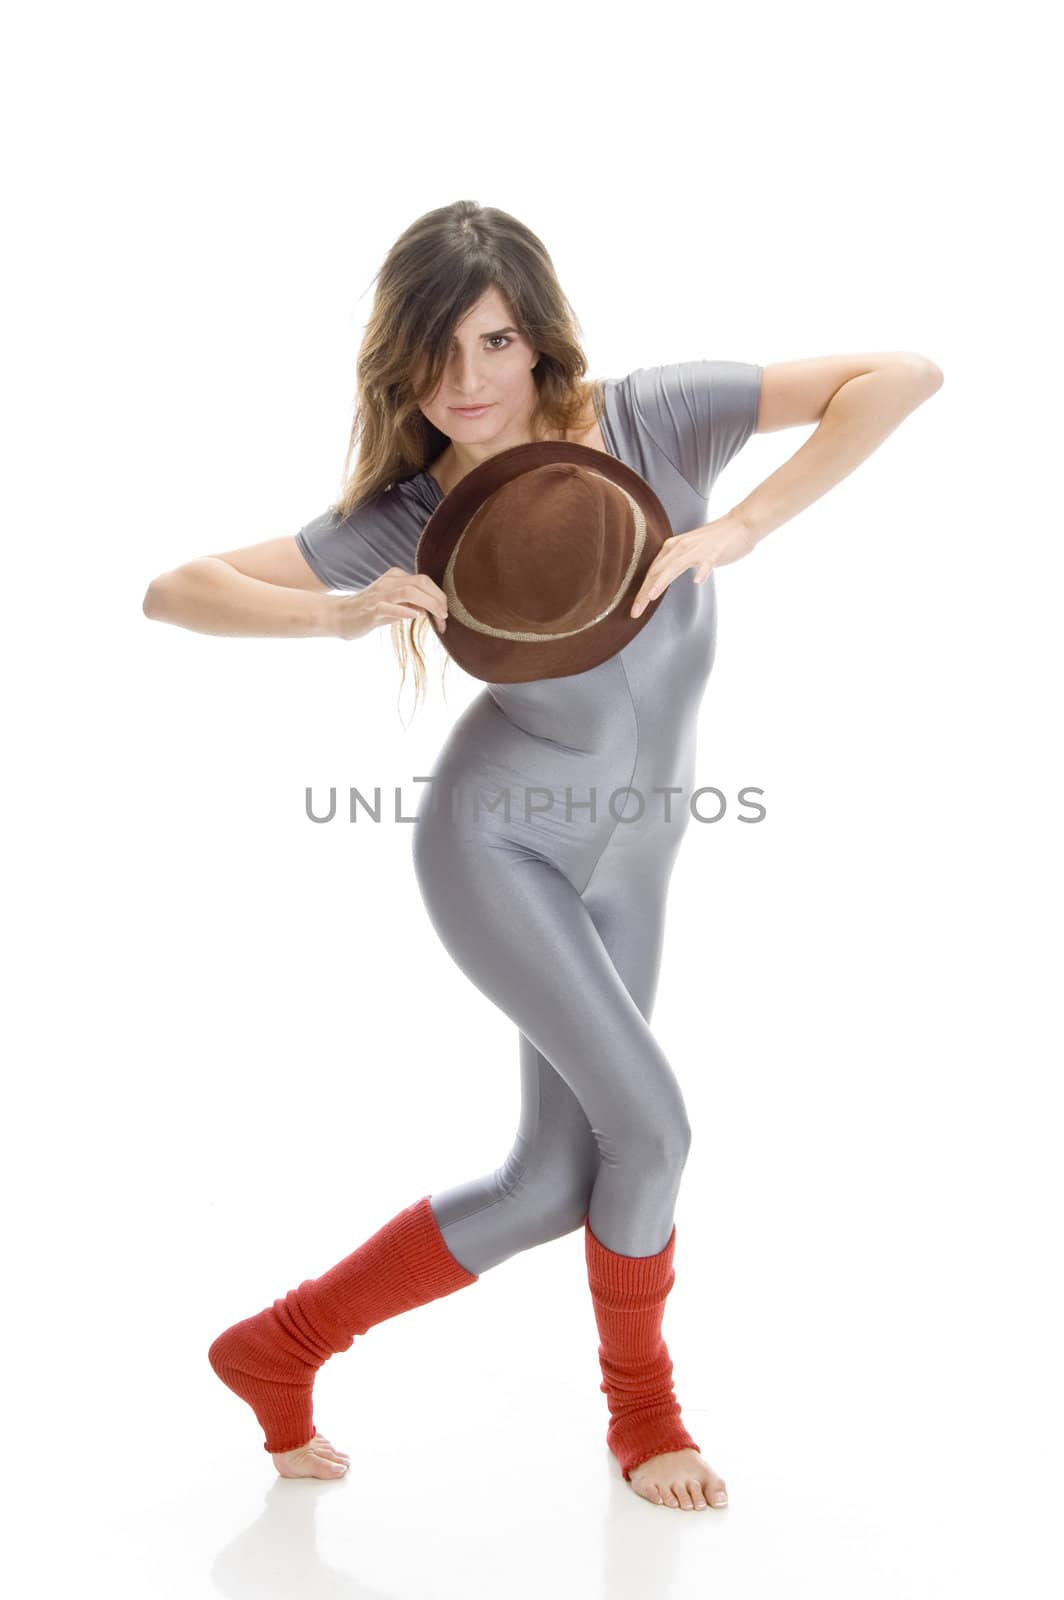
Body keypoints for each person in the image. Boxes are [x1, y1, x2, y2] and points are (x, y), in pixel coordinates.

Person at [142, 200, 943, 1511]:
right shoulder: (408, 515)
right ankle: (647, 1419)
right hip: (498, 847)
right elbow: (174, 589)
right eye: (437, 351)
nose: (467, 382)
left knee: (558, 1175)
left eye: (498, 342)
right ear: (396, 360)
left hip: (641, 855)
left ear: (540, 343)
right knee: (658, 1129)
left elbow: (901, 376)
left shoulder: (654, 419)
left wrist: (738, 530)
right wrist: (341, 615)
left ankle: (274, 1349)